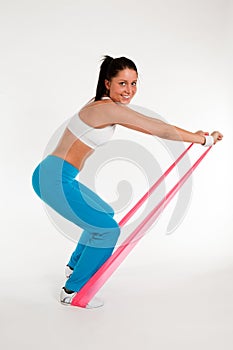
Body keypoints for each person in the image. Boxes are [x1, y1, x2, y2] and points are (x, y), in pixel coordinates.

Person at [32, 55, 223, 308]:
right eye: (122, 83)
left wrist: (193, 135)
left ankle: (73, 267)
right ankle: (72, 291)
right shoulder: (107, 108)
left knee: (104, 213)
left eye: (133, 84)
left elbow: (151, 123)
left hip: (55, 174)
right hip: (53, 179)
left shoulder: (100, 104)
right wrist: (203, 140)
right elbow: (157, 129)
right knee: (107, 231)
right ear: (107, 83)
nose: (129, 91)